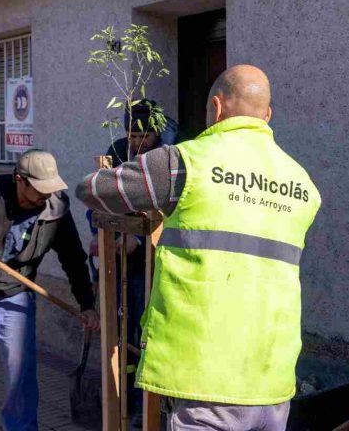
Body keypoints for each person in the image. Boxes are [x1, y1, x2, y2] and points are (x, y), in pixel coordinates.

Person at [77, 64, 321, 430]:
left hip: (207, 381)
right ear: (267, 115)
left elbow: (92, 190)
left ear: (218, 109)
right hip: (273, 382)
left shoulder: (186, 163)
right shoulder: (302, 184)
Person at [0, 149, 100, 431]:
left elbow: (73, 259)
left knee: (21, 374)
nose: (45, 195)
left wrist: (86, 304)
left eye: (50, 188)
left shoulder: (56, 208)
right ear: (19, 179)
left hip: (16, 297)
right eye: (39, 188)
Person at [84, 99, 179, 427]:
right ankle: (124, 404)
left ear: (156, 131)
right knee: (120, 336)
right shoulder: (116, 150)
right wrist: (102, 232)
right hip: (120, 267)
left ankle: (149, 409)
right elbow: (100, 196)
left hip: (155, 268)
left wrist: (138, 242)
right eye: (130, 135)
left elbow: (172, 214)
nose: (136, 143)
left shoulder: (170, 156)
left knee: (146, 336)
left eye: (143, 137)